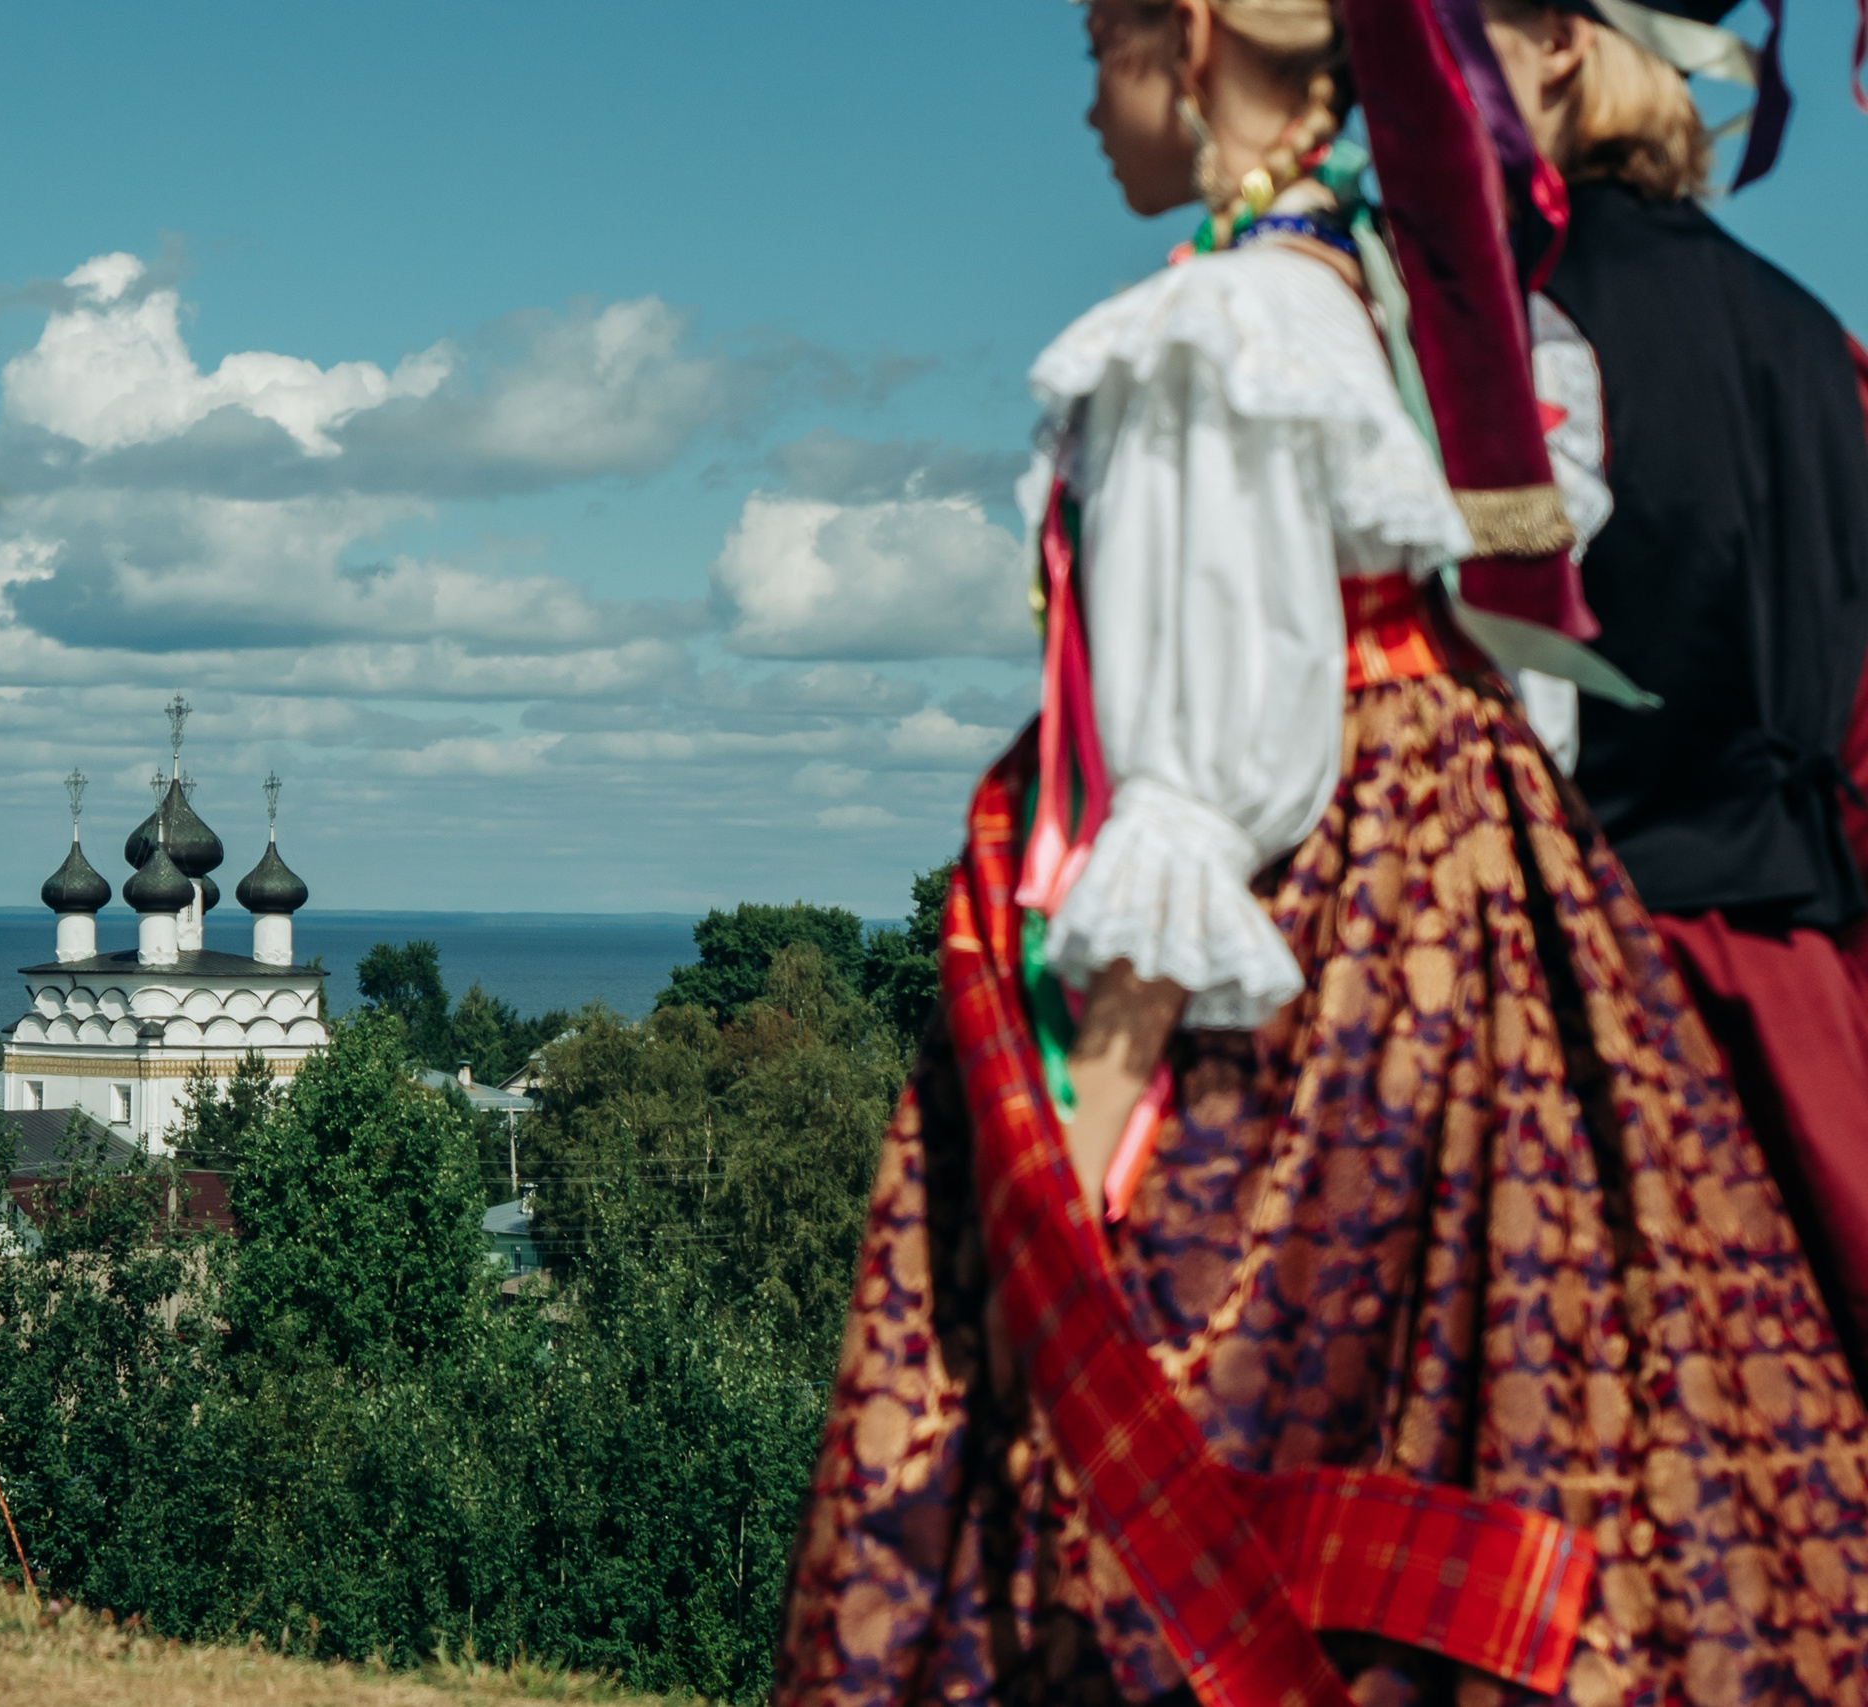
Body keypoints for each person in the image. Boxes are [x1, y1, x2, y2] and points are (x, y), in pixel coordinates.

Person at [772, 0, 1868, 1699]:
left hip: (1309, 1001)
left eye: (1095, 47)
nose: (1082, 105)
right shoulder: (1437, 321)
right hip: (1534, 993)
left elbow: (1198, 788)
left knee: (1184, 1505)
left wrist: (1071, 1159)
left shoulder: (1218, 332)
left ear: (1193, 36)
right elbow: (1539, 680)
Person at [1481, 0, 1868, 1381]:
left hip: (1593, 1017)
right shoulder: (1820, 340)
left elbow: (1521, 746)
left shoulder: (1513, 324)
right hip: (1813, 1017)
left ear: (1562, 42)